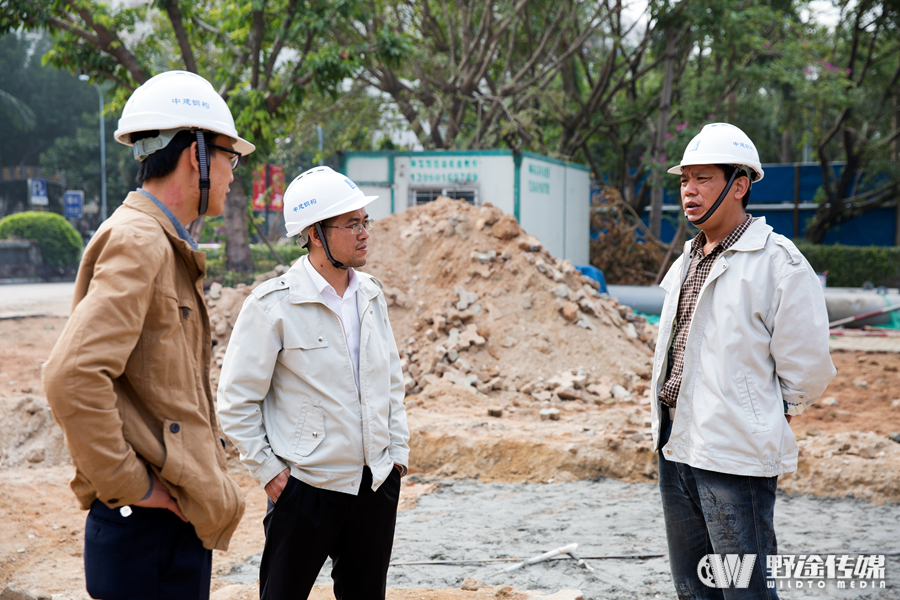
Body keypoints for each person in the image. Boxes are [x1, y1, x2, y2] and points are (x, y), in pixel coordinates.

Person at [42, 70, 255, 600]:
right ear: (196, 155)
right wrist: (133, 486)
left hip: (165, 528)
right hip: (145, 533)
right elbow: (71, 377)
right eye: (231, 157)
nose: (233, 175)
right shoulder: (141, 242)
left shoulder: (163, 242)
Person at [650, 123, 836, 599]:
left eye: (703, 179)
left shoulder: (778, 263)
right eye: (684, 180)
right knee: (694, 589)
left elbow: (808, 367)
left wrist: (758, 416)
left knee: (744, 591)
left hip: (734, 455)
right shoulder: (687, 259)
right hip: (676, 444)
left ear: (739, 184)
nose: (689, 191)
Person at [217, 166, 410, 600]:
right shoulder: (273, 306)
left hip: (374, 486)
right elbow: (235, 401)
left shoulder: (371, 295)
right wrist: (271, 474)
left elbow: (391, 383)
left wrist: (396, 455)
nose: (364, 233)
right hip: (305, 490)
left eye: (365, 221)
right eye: (351, 223)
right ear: (315, 233)